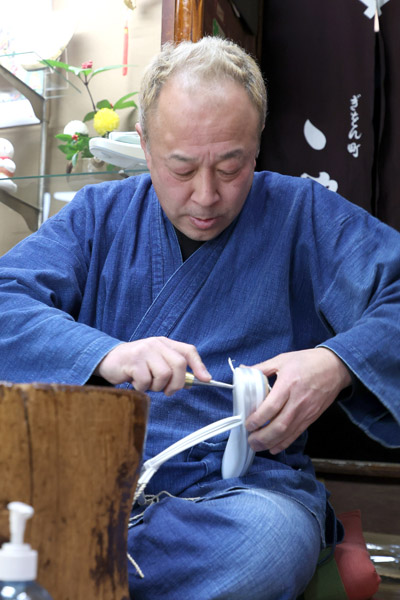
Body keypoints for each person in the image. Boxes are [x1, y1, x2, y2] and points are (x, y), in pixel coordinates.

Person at [0, 37, 399, 599]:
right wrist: (105, 353)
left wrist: (335, 364)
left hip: (241, 495)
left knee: (265, 546)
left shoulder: (303, 215)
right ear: (145, 145)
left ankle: (66, 567)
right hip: (89, 478)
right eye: (181, 169)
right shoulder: (99, 216)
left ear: (257, 148)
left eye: (231, 167)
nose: (206, 196)